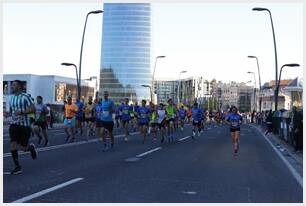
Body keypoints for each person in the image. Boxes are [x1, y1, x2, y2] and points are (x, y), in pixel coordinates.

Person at [4, 80, 37, 174]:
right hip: (14, 124)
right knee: (13, 145)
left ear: (19, 86)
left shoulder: (25, 96)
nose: (12, 87)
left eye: (14, 85)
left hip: (24, 126)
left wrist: (22, 112)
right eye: (12, 85)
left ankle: (30, 148)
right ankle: (17, 167)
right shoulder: (12, 98)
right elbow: (11, 111)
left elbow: (33, 108)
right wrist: (7, 114)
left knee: (23, 147)